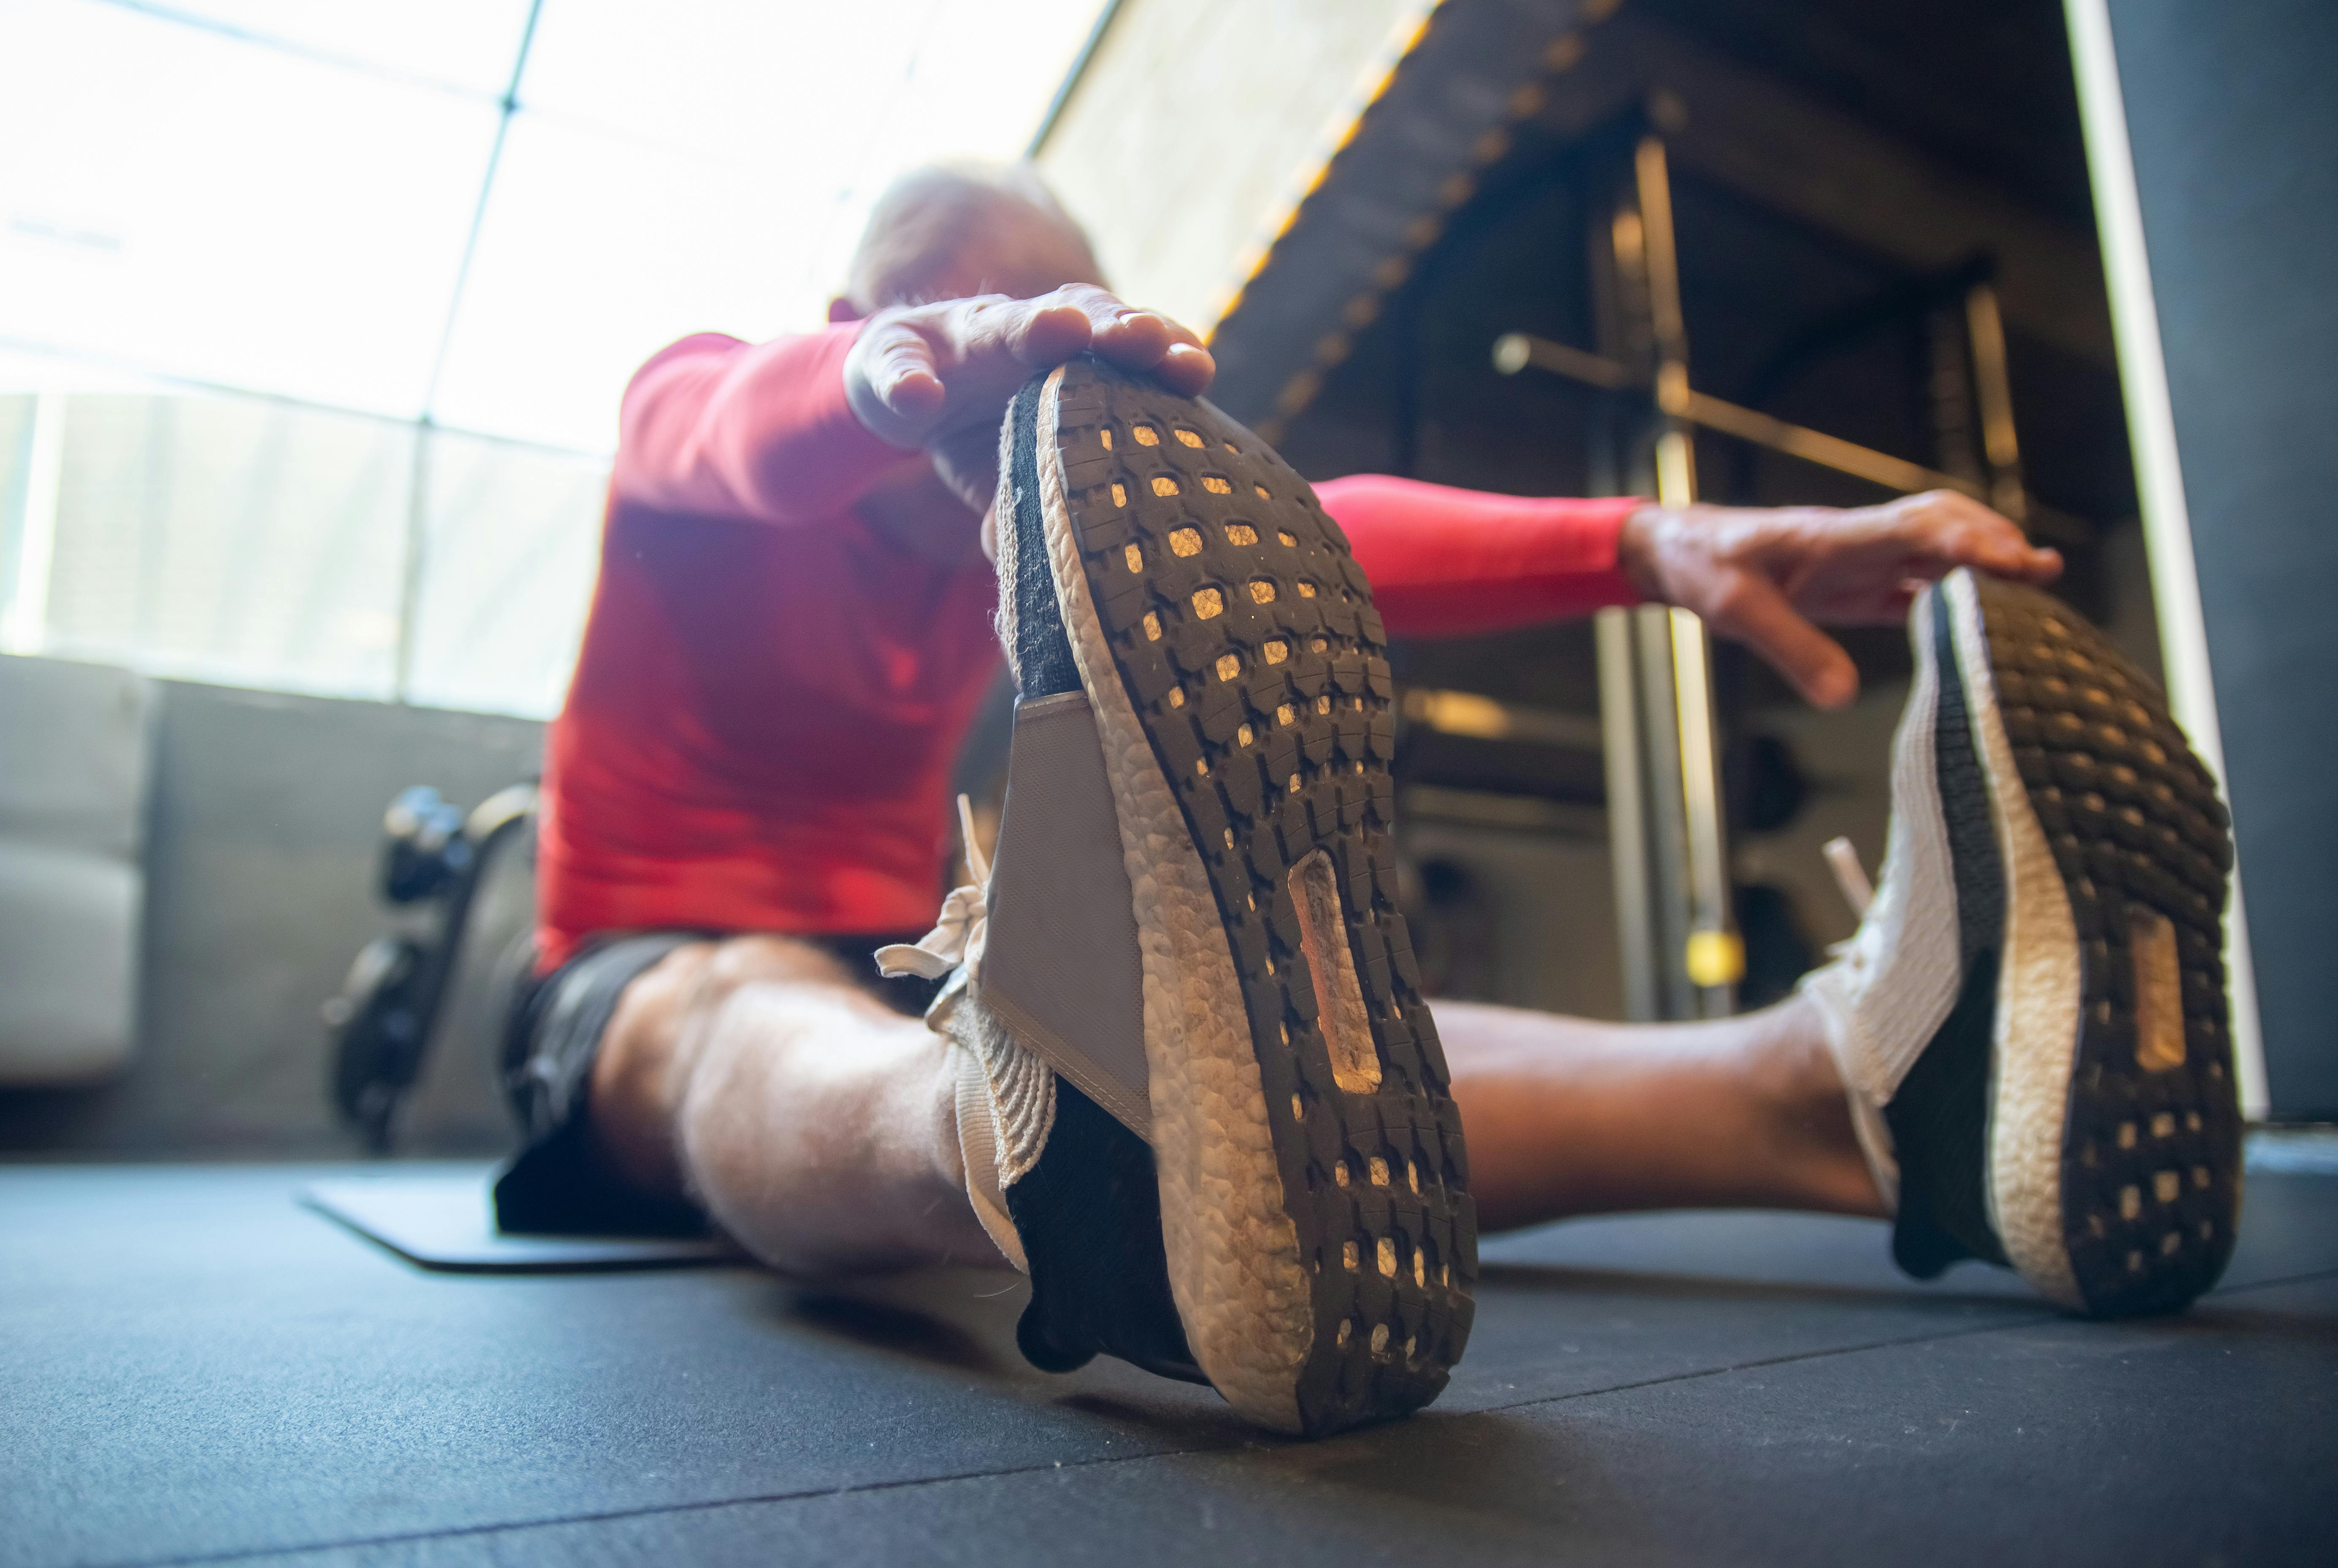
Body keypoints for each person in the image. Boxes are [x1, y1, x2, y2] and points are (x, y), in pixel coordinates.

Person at [496, 166, 2240, 1435]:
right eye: (980, 327)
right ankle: (1027, 1135)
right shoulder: (712, 414)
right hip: (632, 979)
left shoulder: (980, 533)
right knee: (740, 997)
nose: (1015, 392)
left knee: (1308, 1050)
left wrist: (1660, 544)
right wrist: (922, 367)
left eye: (1050, 356)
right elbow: (726, 426)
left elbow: (1320, 526)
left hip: (890, 954)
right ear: (862, 327)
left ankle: (1854, 1101)